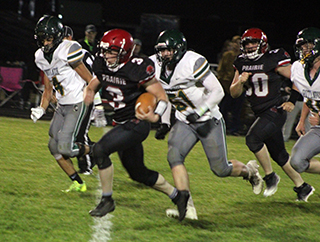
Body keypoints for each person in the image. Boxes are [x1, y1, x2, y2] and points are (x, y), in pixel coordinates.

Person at [150, 29, 264, 220]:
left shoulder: (192, 62)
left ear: (178, 49)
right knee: (174, 157)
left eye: (167, 50)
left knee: (221, 169)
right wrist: (163, 121)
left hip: (208, 119)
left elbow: (218, 91)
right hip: (184, 119)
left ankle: (249, 171)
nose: (164, 55)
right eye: (161, 50)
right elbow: (165, 94)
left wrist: (200, 112)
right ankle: (187, 207)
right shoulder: (154, 64)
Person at [83, 28, 190, 221]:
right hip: (121, 123)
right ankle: (178, 196)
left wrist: (155, 117)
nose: (106, 55)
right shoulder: (102, 64)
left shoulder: (137, 67)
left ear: (124, 52)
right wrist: (92, 101)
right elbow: (92, 85)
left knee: (100, 150)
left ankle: (107, 200)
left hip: (137, 123)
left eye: (111, 51)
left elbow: (162, 97)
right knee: (138, 173)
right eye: (105, 50)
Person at [230, 27, 314, 201]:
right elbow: (233, 93)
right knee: (279, 155)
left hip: (275, 110)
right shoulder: (240, 62)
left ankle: (270, 177)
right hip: (260, 113)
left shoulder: (273, 59)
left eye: (254, 42)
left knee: (252, 139)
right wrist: (240, 81)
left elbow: (298, 78)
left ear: (262, 44)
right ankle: (302, 187)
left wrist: (292, 100)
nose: (251, 46)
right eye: (247, 43)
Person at [32, 15, 92, 192]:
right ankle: (78, 182)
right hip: (61, 106)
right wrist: (41, 109)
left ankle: (98, 150)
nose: (45, 43)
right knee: (53, 146)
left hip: (77, 101)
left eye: (48, 38)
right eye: (42, 39)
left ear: (57, 36)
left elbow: (90, 78)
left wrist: (92, 100)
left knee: (66, 146)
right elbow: (48, 88)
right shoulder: (40, 57)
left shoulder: (68, 49)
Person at [64, 25, 107, 174]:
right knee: (72, 134)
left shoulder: (81, 53)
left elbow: (93, 79)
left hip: (84, 97)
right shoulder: (58, 56)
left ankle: (85, 167)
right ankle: (97, 150)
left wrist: (98, 104)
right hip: (71, 98)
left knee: (78, 135)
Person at [289, 27, 320, 200]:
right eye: (302, 47)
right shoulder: (299, 69)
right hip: (318, 127)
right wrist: (302, 120)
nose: (304, 51)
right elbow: (309, 95)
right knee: (297, 161)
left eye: (308, 46)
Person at [217, 35, 245, 136]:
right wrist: (223, 83)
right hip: (226, 86)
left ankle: (235, 129)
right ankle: (222, 128)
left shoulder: (244, 57)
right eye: (235, 43)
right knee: (223, 109)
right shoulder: (227, 55)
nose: (236, 45)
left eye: (239, 43)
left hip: (239, 87)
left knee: (237, 111)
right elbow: (220, 70)